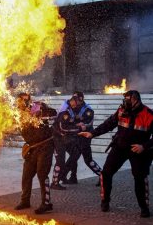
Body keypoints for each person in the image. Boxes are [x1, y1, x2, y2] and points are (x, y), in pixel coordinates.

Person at [79, 90, 153, 218]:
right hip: (120, 147)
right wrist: (92, 133)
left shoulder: (149, 114)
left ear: (135, 100)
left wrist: (144, 146)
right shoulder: (121, 111)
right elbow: (108, 124)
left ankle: (144, 207)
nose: (124, 103)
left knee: (140, 178)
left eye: (127, 100)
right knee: (106, 173)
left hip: (138, 150)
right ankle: (105, 201)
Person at [14, 93, 57, 214]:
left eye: (23, 101)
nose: (21, 104)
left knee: (42, 175)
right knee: (26, 175)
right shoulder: (18, 114)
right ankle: (25, 201)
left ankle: (46, 203)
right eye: (19, 101)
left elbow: (54, 114)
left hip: (45, 146)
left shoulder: (38, 106)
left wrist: (40, 114)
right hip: (31, 148)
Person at [61, 92, 102, 185]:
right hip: (75, 136)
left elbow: (88, 123)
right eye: (73, 99)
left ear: (81, 99)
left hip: (85, 137)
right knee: (74, 156)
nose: (73, 101)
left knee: (87, 159)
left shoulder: (88, 110)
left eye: (76, 99)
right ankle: (72, 176)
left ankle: (103, 176)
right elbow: (69, 121)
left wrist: (79, 124)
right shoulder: (72, 108)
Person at [51, 97, 79, 190]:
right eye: (76, 102)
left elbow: (70, 122)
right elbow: (62, 127)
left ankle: (63, 176)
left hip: (66, 138)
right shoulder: (65, 111)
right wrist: (77, 128)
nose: (77, 104)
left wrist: (76, 124)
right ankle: (54, 182)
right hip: (58, 138)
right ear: (72, 101)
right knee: (60, 161)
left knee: (75, 154)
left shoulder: (71, 110)